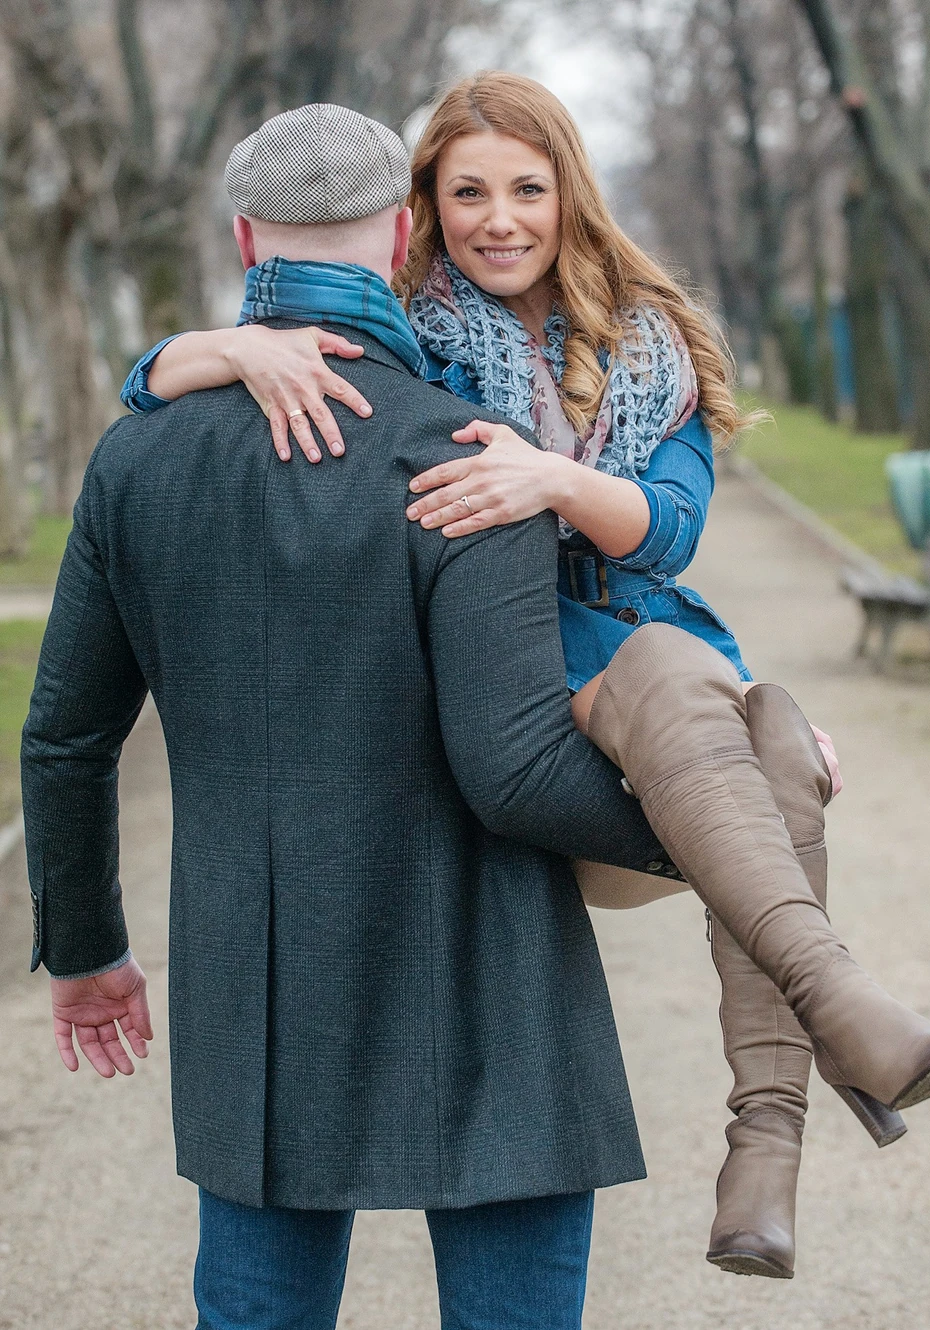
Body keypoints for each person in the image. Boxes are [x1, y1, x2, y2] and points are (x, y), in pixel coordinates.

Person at [124, 77, 930, 1283]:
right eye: (465, 190)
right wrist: (209, 347)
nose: (498, 218)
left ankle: (764, 1162)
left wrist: (551, 480)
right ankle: (838, 1028)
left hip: (643, 673)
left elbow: (671, 531)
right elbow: (158, 388)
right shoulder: (399, 334)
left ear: (567, 194)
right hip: (518, 700)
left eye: (526, 188)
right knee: (734, 721)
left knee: (771, 731)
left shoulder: (654, 346)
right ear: (416, 208)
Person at [21, 103, 696, 1330]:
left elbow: (68, 736)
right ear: (401, 238)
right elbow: (516, 771)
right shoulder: (461, 451)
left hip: (256, 976)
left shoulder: (138, 459)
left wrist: (85, 948)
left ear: (242, 240)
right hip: (487, 968)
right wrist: (704, 824)